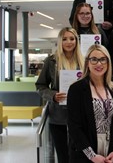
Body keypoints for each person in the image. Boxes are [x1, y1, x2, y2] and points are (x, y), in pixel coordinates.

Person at [67, 44, 113, 163]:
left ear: (108, 63)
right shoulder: (76, 89)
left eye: (103, 59)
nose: (99, 64)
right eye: (94, 59)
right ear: (87, 63)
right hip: (84, 152)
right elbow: (74, 127)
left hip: (109, 152)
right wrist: (92, 155)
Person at [36, 27, 84, 163]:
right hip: (58, 115)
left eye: (72, 38)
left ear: (76, 41)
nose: (69, 42)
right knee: (63, 156)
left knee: (79, 155)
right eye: (64, 39)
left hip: (79, 115)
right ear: (59, 41)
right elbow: (40, 86)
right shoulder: (51, 61)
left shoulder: (84, 61)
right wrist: (53, 95)